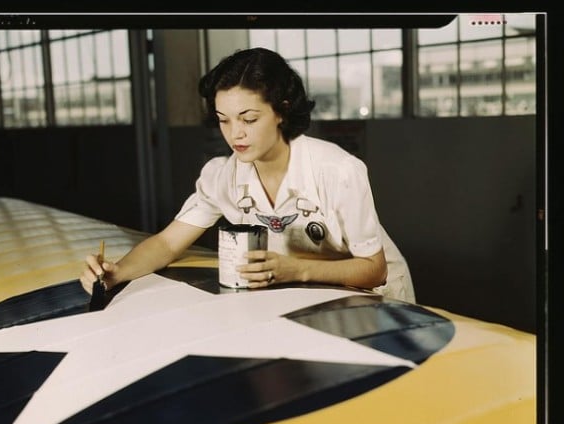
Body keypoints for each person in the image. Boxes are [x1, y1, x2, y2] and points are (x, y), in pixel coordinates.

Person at [80, 47, 415, 303]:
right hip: (303, 291)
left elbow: (374, 268)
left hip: (379, 297)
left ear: (282, 110)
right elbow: (168, 242)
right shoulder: (222, 176)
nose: (234, 134)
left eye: (249, 119)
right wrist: (116, 273)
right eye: (223, 119)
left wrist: (296, 269)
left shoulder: (337, 170)